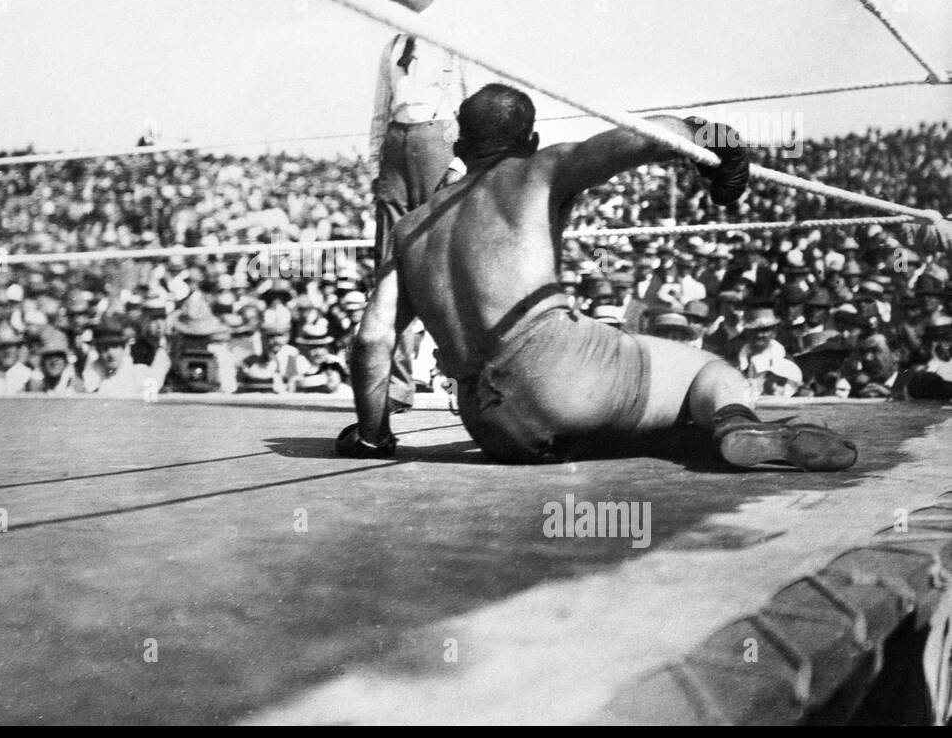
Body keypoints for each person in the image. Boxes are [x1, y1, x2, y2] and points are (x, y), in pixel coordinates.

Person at [337, 83, 857, 471]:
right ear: (532, 138)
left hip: (487, 420)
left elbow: (372, 340)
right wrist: (715, 139)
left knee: (651, 426)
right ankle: (736, 424)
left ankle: (691, 433)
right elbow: (643, 139)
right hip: (559, 372)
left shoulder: (409, 227)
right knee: (707, 372)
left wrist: (374, 435)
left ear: (457, 144)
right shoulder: (539, 169)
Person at [369, 0, 477, 412]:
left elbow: (472, 101)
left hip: (438, 141)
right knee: (390, 261)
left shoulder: (454, 34)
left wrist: (461, 163)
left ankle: (459, 377)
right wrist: (378, 165)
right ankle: (395, 385)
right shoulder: (393, 45)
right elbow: (379, 109)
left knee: (441, 262)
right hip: (397, 145)